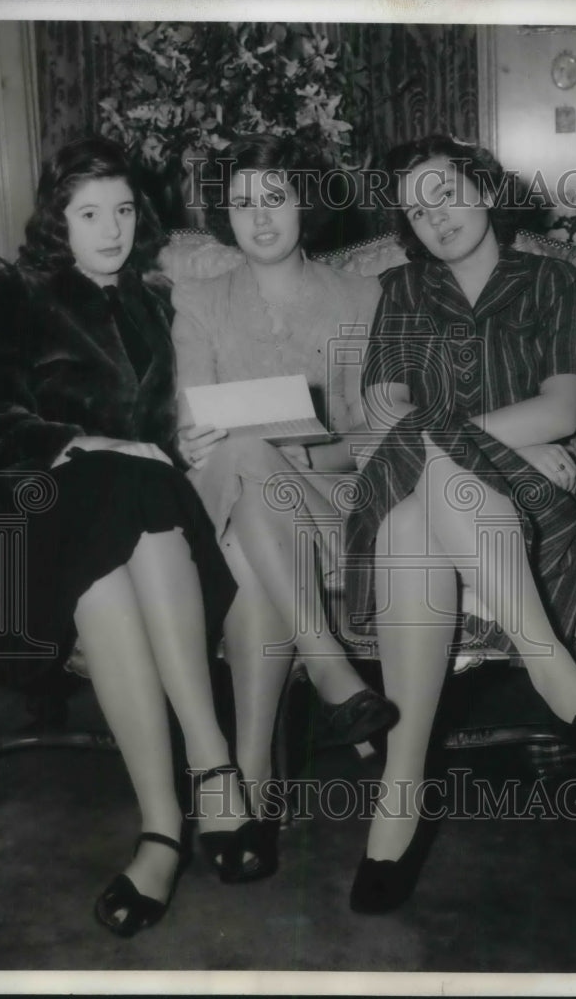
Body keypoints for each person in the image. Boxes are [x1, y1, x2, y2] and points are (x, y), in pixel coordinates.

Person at [0, 136, 275, 939]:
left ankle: (161, 828)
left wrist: (180, 443)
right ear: (57, 220)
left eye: (123, 210)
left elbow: (160, 437)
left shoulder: (154, 301)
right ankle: (213, 767)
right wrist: (87, 444)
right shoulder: (2, 285)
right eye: (89, 213)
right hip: (28, 513)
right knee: (125, 486)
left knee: (126, 539)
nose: (111, 229)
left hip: (129, 531)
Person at [344, 135, 576, 914]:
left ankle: (399, 791)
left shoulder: (550, 279)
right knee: (421, 492)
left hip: (521, 520)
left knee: (427, 490)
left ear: (481, 186)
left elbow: (564, 409)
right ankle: (550, 666)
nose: (434, 216)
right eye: (414, 208)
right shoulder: (399, 290)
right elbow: (381, 412)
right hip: (441, 484)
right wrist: (515, 441)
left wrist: (453, 437)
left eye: (445, 191)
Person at [171, 134, 399, 814]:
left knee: (252, 534)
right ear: (225, 214)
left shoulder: (361, 296)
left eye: (276, 197)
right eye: (242, 202)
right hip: (221, 491)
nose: (260, 216)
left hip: (325, 497)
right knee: (240, 459)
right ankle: (329, 670)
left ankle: (247, 778)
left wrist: (301, 455)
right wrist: (191, 439)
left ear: (306, 204)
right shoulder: (197, 300)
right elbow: (196, 423)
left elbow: (377, 434)